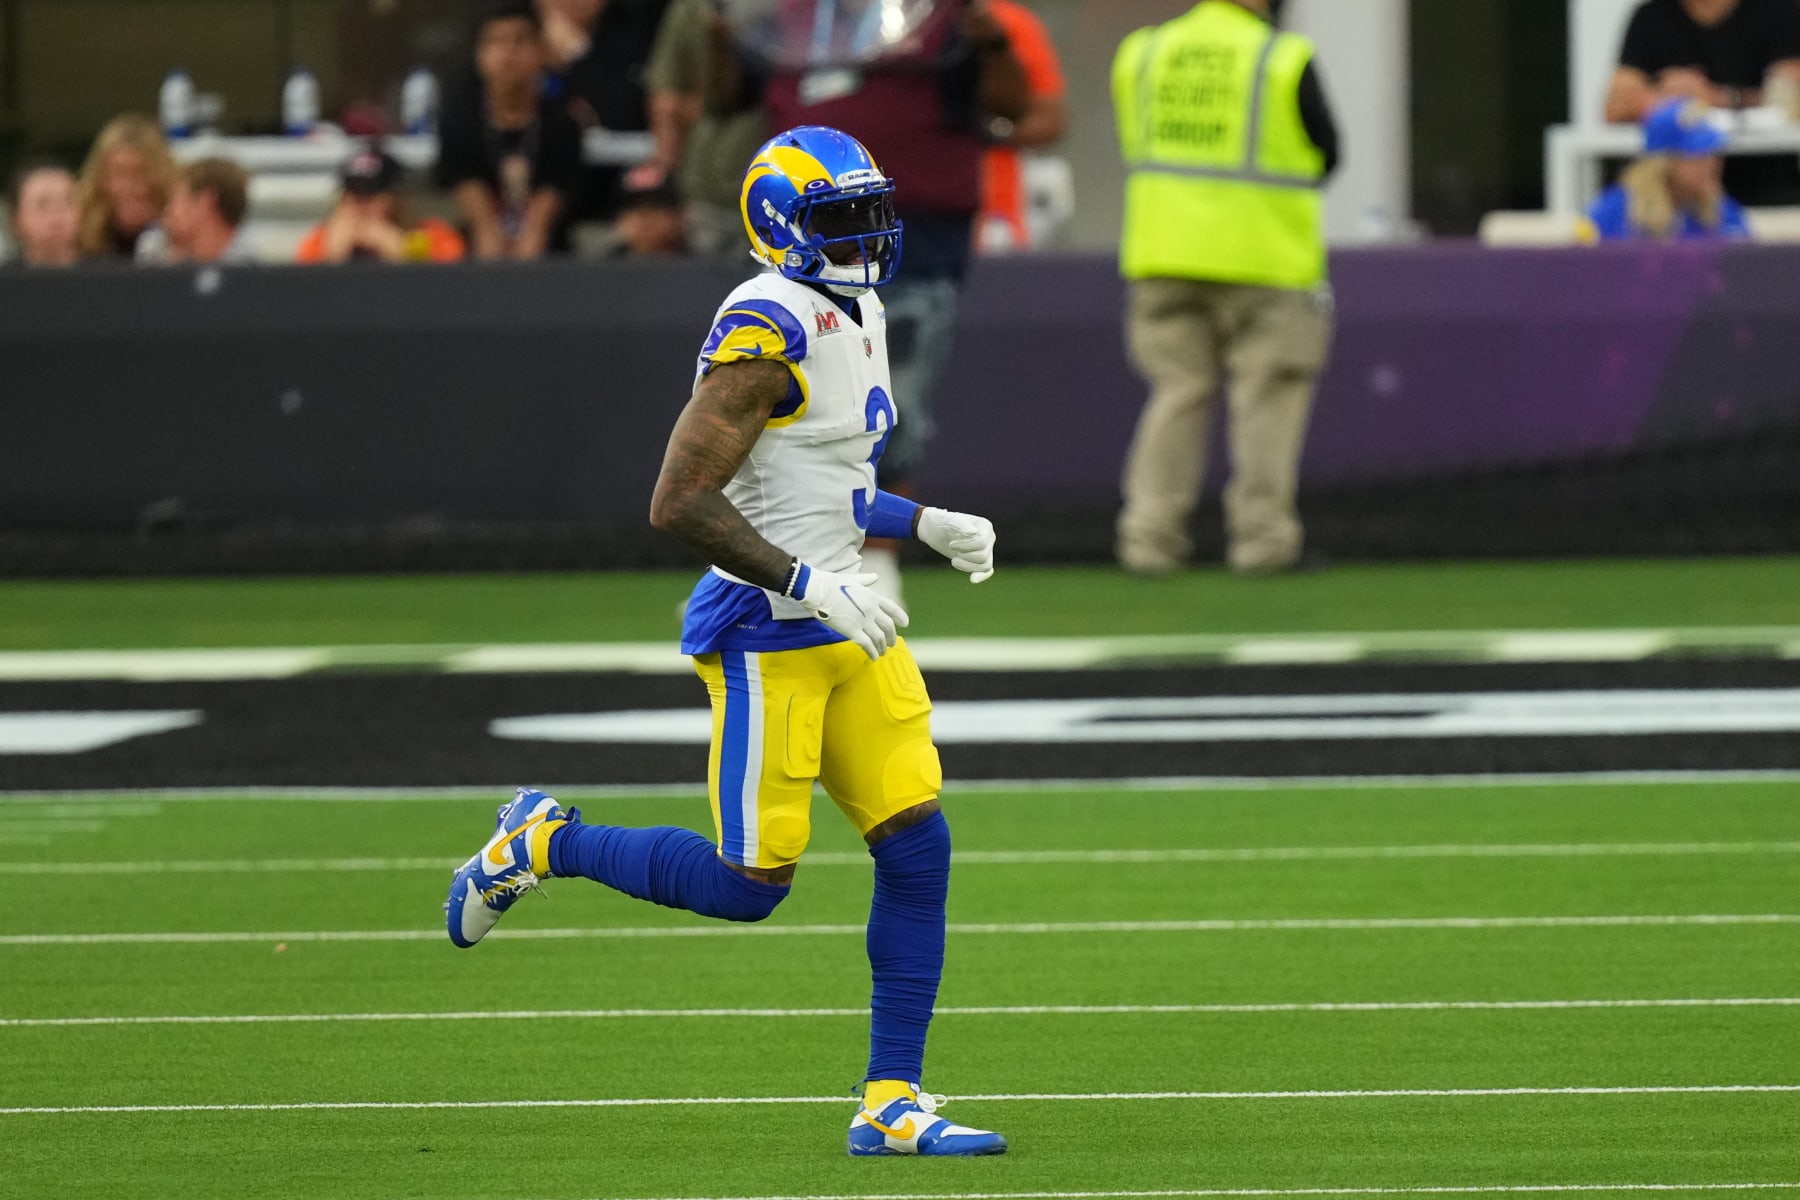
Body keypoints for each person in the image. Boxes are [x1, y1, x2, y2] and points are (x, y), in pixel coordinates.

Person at [445, 124, 1007, 1160]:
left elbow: (817, 484)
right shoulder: (764, 332)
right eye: (844, 220)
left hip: (845, 623)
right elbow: (678, 500)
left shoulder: (856, 306)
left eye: (871, 211)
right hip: (766, 632)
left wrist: (915, 522)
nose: (871, 236)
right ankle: (542, 842)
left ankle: (892, 1100)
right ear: (783, 230)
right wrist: (806, 581)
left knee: (917, 845)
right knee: (748, 888)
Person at [714, 0, 1029, 600]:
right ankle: (753, 565)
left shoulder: (945, 21)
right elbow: (726, 99)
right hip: (799, 241)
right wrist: (718, 42)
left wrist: (991, 44)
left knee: (887, 401)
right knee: (784, 408)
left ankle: (874, 558)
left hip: (907, 240)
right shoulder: (790, 21)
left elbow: (1017, 108)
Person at [1111, 0, 1339, 577]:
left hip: (1163, 252)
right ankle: (1263, 544)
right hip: (1266, 258)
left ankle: (1148, 540)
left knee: (1178, 392)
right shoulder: (1281, 56)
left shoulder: (1143, 52)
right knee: (1266, 399)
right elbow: (1326, 152)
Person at [1606, 0, 1800, 204]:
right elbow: (1615, 106)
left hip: (1768, 182)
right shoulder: (1651, 16)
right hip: (1673, 194)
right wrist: (1666, 98)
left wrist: (1720, 98)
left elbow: (1790, 96)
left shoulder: (1777, 11)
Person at [436, 0, 585, 258]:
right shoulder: (459, 120)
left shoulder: (563, 123)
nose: (509, 53)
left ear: (542, 51)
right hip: (477, 256)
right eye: (497, 42)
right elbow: (480, 218)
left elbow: (544, 215)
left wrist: (530, 242)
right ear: (480, 56)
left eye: (520, 41)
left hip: (551, 257)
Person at [643, 0, 770, 257]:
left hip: (785, 188)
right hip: (707, 189)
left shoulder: (805, 8)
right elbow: (665, 100)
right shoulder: (692, 9)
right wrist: (665, 190)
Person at [540, 0, 673, 222]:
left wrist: (579, 55)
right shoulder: (514, 33)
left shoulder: (638, 32)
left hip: (623, 199)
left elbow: (624, 112)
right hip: (551, 201)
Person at [1582, 99, 1751, 241]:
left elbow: (1749, 274)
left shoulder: (1724, 213)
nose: (1711, 164)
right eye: (1696, 155)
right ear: (1663, 163)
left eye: (1712, 153)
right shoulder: (1613, 214)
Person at [975, 0, 1068, 254]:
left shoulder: (1006, 22)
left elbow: (1051, 120)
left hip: (995, 221)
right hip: (906, 211)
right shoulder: (891, 24)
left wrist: (987, 130)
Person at [296, 148, 466, 264]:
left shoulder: (432, 235)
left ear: (396, 199)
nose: (359, 205)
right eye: (352, 195)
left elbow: (450, 283)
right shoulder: (321, 239)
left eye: (369, 196)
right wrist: (331, 258)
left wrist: (403, 252)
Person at [76, 114, 177, 259]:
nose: (131, 187)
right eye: (120, 173)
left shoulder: (185, 241)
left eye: (141, 172)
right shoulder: (77, 239)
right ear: (101, 180)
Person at [137, 157, 254, 265]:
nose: (168, 210)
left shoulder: (252, 275)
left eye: (175, 201)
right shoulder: (156, 253)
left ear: (206, 202)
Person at [5, 162, 80, 267]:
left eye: (67, 201)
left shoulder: (105, 274)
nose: (57, 215)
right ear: (16, 220)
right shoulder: (6, 278)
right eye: (42, 204)